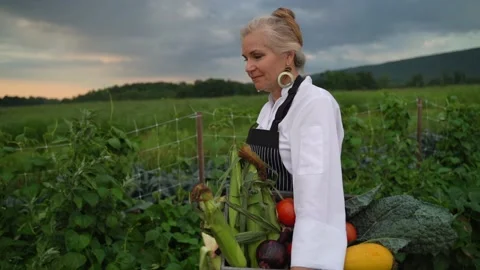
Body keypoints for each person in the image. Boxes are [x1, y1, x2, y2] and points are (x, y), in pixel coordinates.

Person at [241, 7, 347, 270]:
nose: (248, 67)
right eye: (245, 58)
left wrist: (304, 263)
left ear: (288, 56)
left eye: (257, 56)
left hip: (292, 252)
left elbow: (316, 194)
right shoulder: (270, 107)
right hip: (266, 246)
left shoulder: (313, 104)